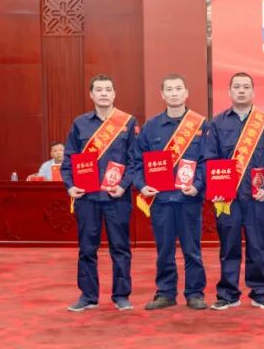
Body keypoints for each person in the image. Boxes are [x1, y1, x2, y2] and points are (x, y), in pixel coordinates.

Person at [60, 75, 139, 312]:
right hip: (87, 197)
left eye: (108, 89)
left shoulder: (127, 122)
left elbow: (134, 160)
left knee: (120, 248)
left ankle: (121, 295)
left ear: (114, 94)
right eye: (99, 90)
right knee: (87, 249)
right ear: (91, 95)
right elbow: (69, 159)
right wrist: (70, 185)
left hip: (117, 197)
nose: (104, 93)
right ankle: (88, 296)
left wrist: (123, 185)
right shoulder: (80, 123)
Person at [134, 74, 210, 311]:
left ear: (186, 93)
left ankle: (195, 293)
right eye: (169, 89)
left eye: (178, 88)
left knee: (192, 250)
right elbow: (137, 161)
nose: (174, 93)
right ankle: (165, 293)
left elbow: (208, 161)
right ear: (162, 94)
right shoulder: (151, 127)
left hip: (189, 200)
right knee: (164, 250)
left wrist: (198, 185)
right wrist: (142, 185)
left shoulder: (201, 125)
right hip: (161, 200)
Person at [207, 72, 264, 310]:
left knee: (258, 246)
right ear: (229, 92)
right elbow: (210, 158)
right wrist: (216, 188)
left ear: (253, 92)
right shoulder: (217, 122)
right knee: (229, 246)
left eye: (246, 87)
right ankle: (228, 294)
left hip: (258, 197)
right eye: (237, 87)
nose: (241, 90)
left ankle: (261, 292)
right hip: (227, 198)